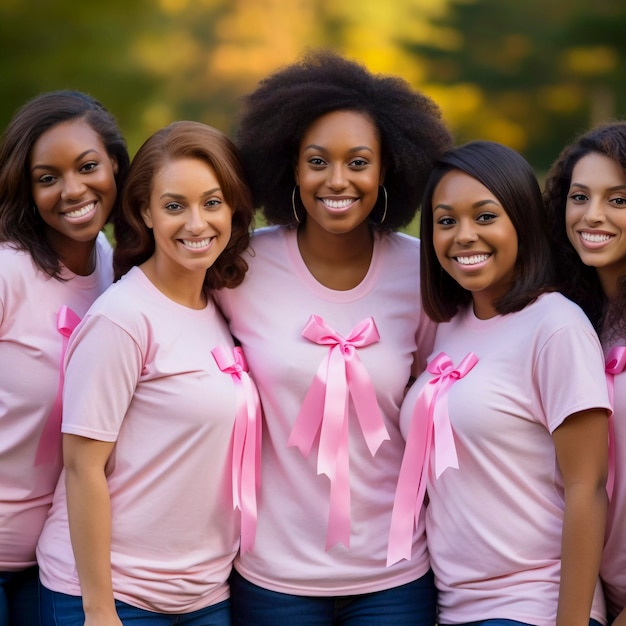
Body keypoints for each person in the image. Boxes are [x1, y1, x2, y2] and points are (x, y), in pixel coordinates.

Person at [214, 50, 453, 625]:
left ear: (389, 168)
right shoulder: (239, 267)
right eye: (317, 161)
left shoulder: (423, 271)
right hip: (273, 580)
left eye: (358, 162)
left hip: (395, 577)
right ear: (290, 167)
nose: (337, 180)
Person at [36, 121, 257, 625]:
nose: (197, 223)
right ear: (145, 212)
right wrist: (99, 611)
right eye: (175, 205)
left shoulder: (219, 310)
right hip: (112, 599)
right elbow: (82, 467)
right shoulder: (123, 317)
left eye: (212, 202)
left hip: (203, 598)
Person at [394, 140, 610, 626]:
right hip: (451, 607)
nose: (463, 235)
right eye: (446, 221)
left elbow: (587, 486)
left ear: (522, 220)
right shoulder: (446, 327)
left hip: (534, 604)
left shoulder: (556, 326)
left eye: (485, 216)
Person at [0, 90, 129, 626]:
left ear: (116, 167)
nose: (72, 190)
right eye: (47, 177)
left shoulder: (116, 271)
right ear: (26, 190)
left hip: (53, 563)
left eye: (88, 167)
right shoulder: (8, 273)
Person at [545, 121, 626, 626]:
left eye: (619, 200)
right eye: (580, 196)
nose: (592, 215)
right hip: (596, 592)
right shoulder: (567, 319)